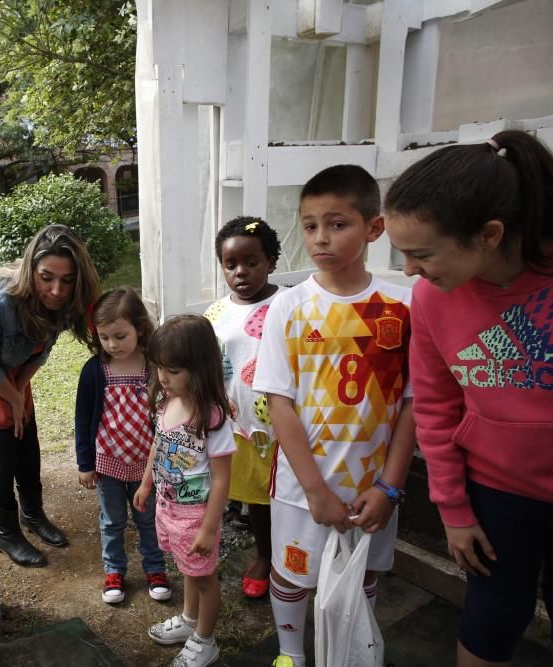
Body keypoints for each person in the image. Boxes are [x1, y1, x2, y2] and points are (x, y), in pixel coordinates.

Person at [383, 130, 553, 667]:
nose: (410, 270)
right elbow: (436, 410)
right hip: (496, 493)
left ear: (488, 235)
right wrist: (454, 510)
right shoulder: (430, 299)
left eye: (421, 254)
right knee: (490, 618)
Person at [252, 165, 416, 667]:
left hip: (374, 486)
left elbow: (412, 403)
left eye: (337, 223)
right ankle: (290, 654)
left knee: (362, 574)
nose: (320, 238)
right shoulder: (289, 306)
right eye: (309, 225)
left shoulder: (404, 305)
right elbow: (279, 402)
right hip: (304, 487)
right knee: (291, 573)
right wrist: (317, 490)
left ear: (374, 228)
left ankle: (346, 653)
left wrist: (390, 486)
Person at [0, 224, 100, 567]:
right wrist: (11, 398)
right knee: (4, 435)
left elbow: (41, 351)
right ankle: (5, 528)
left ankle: (33, 514)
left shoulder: (64, 301)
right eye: (47, 277)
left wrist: (20, 391)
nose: (56, 290)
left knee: (26, 434)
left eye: (67, 280)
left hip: (16, 365)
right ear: (31, 271)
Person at [134, 314, 235, 667]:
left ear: (200, 367)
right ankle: (190, 619)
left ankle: (206, 640)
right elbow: (158, 445)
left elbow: (222, 478)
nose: (163, 377)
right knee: (187, 570)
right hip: (168, 506)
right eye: (159, 367)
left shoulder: (212, 417)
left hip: (196, 515)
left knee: (204, 577)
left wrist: (209, 528)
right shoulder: (168, 402)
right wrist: (147, 482)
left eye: (173, 370)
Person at [75, 287, 171, 605]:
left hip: (148, 465)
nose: (112, 345)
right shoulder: (94, 371)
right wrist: (85, 463)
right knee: (112, 521)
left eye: (120, 336)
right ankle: (114, 571)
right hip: (108, 463)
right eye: (104, 337)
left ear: (139, 329)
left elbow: (168, 413)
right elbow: (83, 417)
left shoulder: (155, 367)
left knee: (148, 519)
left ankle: (156, 569)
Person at [203, 216, 282, 600]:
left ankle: (277, 555)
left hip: (281, 427)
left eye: (252, 262)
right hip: (234, 423)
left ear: (271, 261)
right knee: (252, 495)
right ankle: (263, 552)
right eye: (231, 264)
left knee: (278, 496)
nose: (241, 272)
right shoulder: (216, 313)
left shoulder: (289, 305)